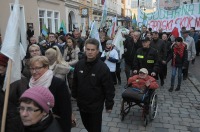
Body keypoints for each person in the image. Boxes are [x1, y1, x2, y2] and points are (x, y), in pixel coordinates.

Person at [72, 38, 115, 132]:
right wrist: (74, 94)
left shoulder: (103, 68)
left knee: (95, 129)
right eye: (88, 49)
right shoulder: (79, 64)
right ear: (85, 49)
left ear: (97, 51)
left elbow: (109, 87)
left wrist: (109, 104)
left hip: (95, 106)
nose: (90, 52)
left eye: (92, 50)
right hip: (82, 104)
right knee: (86, 125)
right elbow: (75, 81)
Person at [28, 56, 72, 132]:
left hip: (53, 125)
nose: (34, 71)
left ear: (46, 67)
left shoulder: (58, 84)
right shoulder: (29, 84)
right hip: (34, 125)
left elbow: (66, 110)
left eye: (37, 68)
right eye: (32, 68)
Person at [0, 54, 28, 132]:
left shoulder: (20, 80)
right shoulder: (1, 77)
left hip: (15, 119)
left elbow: (24, 101)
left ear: (7, 66)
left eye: (1, 65)